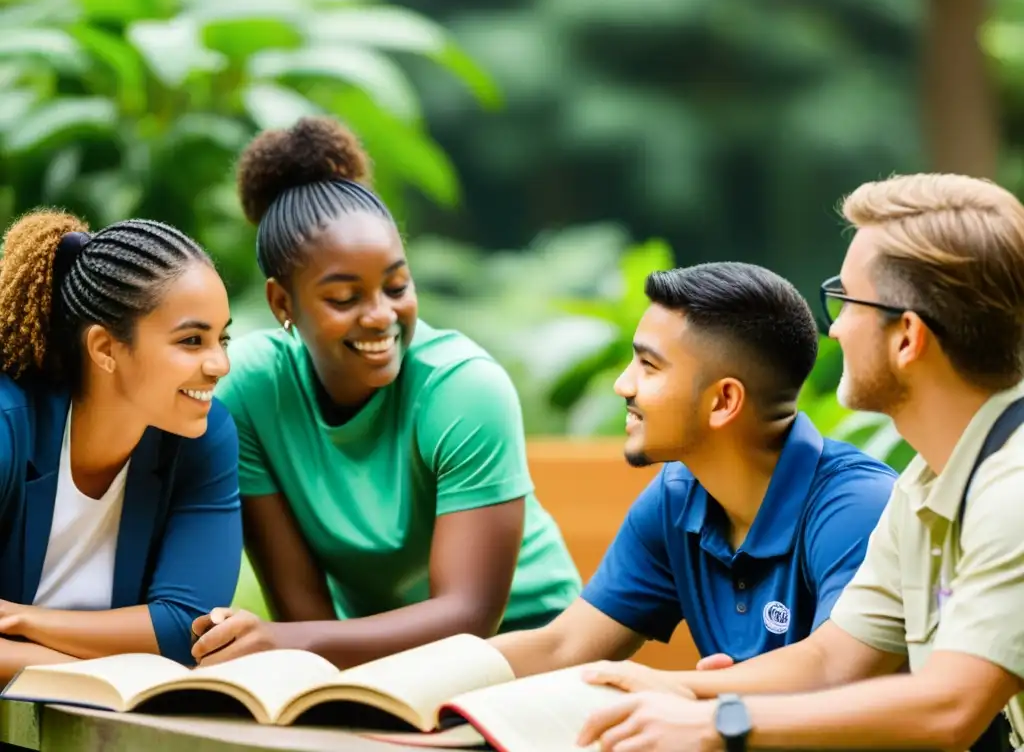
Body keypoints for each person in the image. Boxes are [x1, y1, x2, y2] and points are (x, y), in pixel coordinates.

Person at [577, 173, 1024, 752]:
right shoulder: (926, 486)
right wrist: (672, 691)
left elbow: (950, 708)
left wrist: (720, 724)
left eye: (845, 300)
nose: (832, 328)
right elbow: (834, 659)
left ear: (907, 337)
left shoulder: (1011, 495)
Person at [188, 116, 582, 668]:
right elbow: (304, 616)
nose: (380, 316)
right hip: (374, 660)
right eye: (345, 298)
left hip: (526, 647)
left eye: (396, 286)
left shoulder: (464, 389)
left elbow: (468, 616)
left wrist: (285, 643)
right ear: (283, 304)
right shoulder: (252, 392)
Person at [488, 262, 896, 680]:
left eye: (648, 365)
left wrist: (681, 692)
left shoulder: (858, 507)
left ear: (723, 401)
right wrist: (424, 678)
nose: (623, 386)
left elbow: (836, 671)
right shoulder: (678, 497)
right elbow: (565, 646)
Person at [0, 209, 240, 680]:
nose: (220, 365)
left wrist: (23, 621)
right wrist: (103, 672)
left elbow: (186, 627)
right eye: (192, 340)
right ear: (105, 349)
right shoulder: (9, 428)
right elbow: (166, 649)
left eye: (222, 338)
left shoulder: (203, 438)